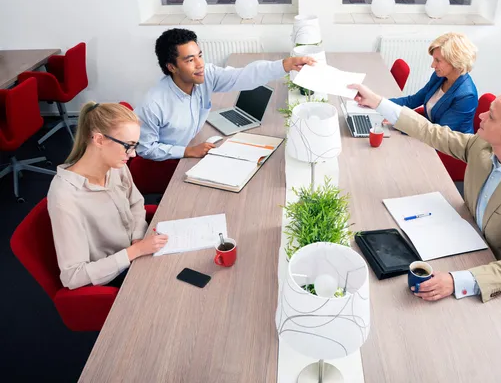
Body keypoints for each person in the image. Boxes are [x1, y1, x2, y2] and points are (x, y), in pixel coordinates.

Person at [349, 83, 501, 302]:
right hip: (467, 235)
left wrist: (455, 281)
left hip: (497, 267)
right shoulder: (484, 144)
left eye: (492, 117)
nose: (482, 115)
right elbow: (433, 132)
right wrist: (378, 102)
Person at [135, 28, 315, 161]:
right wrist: (187, 151)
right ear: (171, 67)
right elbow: (145, 149)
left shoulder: (205, 75)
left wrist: (286, 64)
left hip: (193, 147)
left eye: (200, 55)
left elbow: (244, 75)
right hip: (168, 163)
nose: (200, 64)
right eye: (190, 60)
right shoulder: (153, 105)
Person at [47, 102, 169, 290]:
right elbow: (73, 276)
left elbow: (136, 203)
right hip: (115, 274)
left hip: (138, 251)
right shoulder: (66, 197)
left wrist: (137, 238)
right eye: (128, 146)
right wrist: (134, 251)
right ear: (99, 140)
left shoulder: (115, 167)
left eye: (135, 145)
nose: (133, 153)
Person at [390, 32, 478, 133]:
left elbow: (438, 134)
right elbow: (413, 100)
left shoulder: (466, 96)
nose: (432, 65)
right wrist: (379, 103)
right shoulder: (440, 76)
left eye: (438, 60)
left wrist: (400, 124)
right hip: (430, 131)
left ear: (455, 62)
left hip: (447, 146)